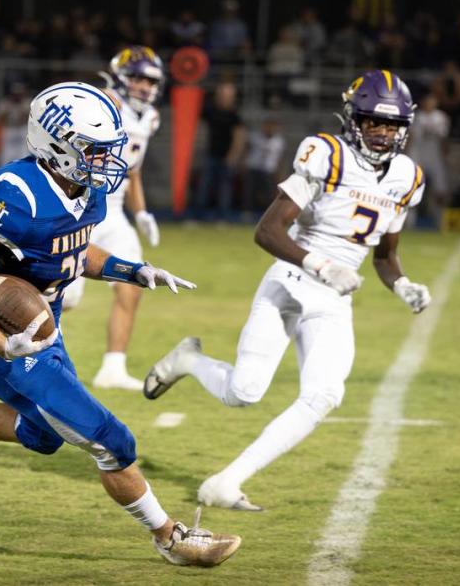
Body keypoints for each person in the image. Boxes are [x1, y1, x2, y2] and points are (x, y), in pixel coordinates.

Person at [0, 81, 241, 566]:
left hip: (44, 334)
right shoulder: (17, 195)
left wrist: (132, 270)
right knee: (112, 441)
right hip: (12, 349)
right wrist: (3, 342)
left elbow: (74, 252)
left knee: (44, 436)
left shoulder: (86, 190)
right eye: (95, 151)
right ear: (57, 146)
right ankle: (171, 538)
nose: (107, 162)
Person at [144, 70, 431, 510]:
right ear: (353, 119)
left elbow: (385, 257)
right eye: (373, 122)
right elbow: (268, 230)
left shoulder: (408, 177)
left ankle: (227, 480)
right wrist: (319, 262)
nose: (382, 133)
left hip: (335, 299)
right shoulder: (326, 154)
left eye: (391, 125)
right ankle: (189, 359)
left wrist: (404, 284)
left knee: (325, 394)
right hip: (292, 281)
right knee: (243, 392)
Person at [62, 46, 165, 391]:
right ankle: (26, 346)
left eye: (151, 81)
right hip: (82, 208)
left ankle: (113, 368)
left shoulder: (149, 117)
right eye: (138, 78)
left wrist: (142, 213)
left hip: (115, 213)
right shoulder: (102, 104)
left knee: (134, 281)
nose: (145, 87)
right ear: (121, 76)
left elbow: (132, 171)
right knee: (68, 297)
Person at [193, 81, 246, 221]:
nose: (224, 97)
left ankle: (222, 217)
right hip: (211, 154)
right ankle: (199, 216)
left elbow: (239, 137)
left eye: (227, 95)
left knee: (225, 189)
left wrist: (233, 155)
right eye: (222, 94)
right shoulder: (211, 111)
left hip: (226, 156)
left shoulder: (234, 115)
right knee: (204, 186)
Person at [407, 93, 449, 220]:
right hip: (417, 155)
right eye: (427, 101)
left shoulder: (441, 117)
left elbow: (444, 139)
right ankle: (409, 220)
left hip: (434, 156)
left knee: (440, 190)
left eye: (431, 101)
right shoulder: (416, 116)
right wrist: (406, 154)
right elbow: (411, 136)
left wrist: (445, 156)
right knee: (412, 188)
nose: (429, 104)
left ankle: (439, 219)